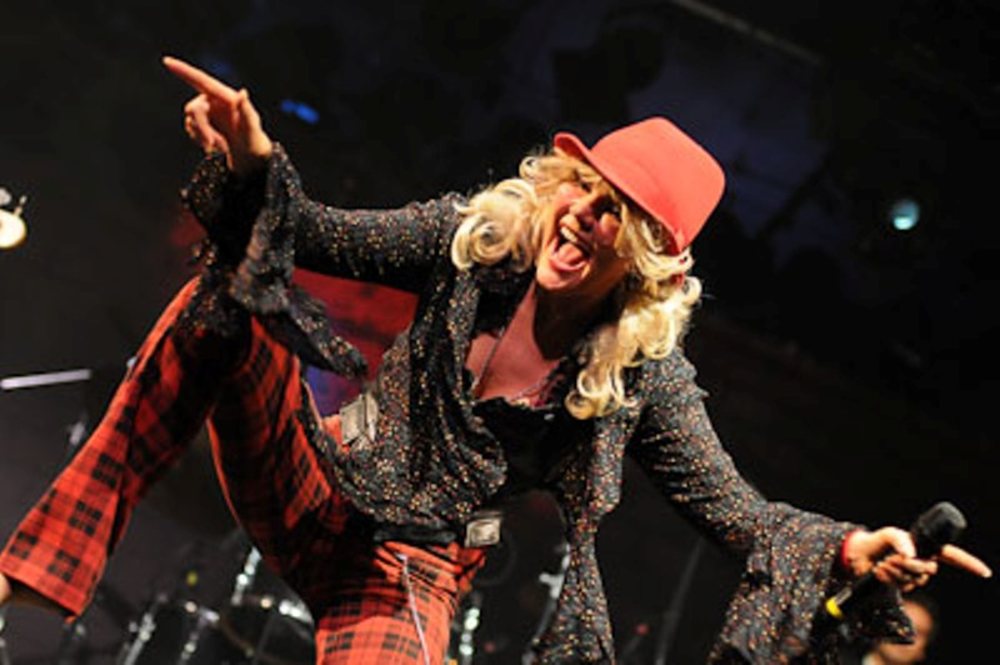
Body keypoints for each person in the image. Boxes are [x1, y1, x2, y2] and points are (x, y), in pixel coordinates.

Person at [0, 56, 990, 664]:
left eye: (618, 216)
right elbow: (312, 234)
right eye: (586, 190)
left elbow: (741, 513)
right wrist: (255, 165)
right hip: (315, 478)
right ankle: (24, 576)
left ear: (647, 259)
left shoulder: (640, 377)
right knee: (227, 291)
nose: (586, 217)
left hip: (405, 569)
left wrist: (850, 548)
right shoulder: (473, 240)